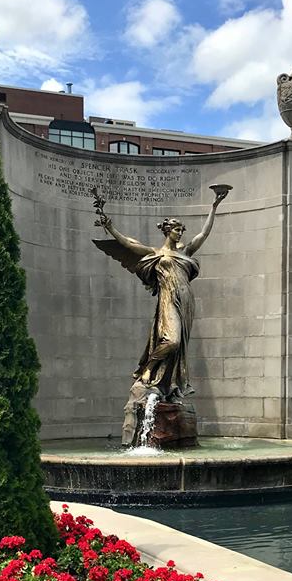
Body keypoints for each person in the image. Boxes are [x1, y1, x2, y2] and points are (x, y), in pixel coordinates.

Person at [92, 186, 231, 438]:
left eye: (181, 230)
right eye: (176, 229)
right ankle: (147, 369)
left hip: (186, 301)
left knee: (179, 346)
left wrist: (214, 206)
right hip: (168, 300)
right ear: (167, 230)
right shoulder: (156, 254)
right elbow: (129, 244)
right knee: (171, 340)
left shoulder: (185, 252)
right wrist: (110, 227)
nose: (180, 233)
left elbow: (204, 234)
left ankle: (168, 384)